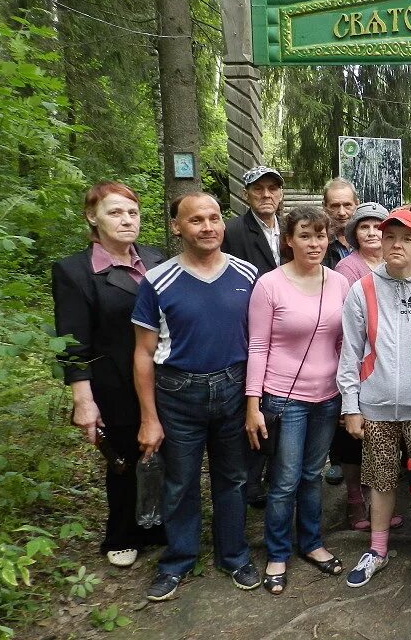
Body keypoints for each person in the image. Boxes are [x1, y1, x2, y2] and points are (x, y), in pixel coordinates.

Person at [132, 193, 260, 601]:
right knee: (180, 481)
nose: (207, 227)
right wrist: (149, 418)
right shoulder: (157, 281)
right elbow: (142, 353)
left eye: (214, 218)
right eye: (195, 220)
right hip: (178, 393)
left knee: (234, 478)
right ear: (177, 227)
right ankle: (178, 560)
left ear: (224, 224)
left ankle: (234, 554)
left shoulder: (248, 274)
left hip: (234, 389)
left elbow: (260, 341)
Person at [338, 210, 411, 590]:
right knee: (381, 479)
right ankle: (376, 549)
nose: (395, 245)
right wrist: (351, 406)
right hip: (375, 405)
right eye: (389, 237)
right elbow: (351, 352)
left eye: (406, 239)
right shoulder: (362, 289)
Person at [51, 181, 167, 568]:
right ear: (92, 217)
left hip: (162, 376)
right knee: (125, 459)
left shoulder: (155, 259)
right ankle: (122, 533)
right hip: (114, 382)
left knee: (162, 453)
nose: (126, 220)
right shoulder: (75, 271)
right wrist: (83, 402)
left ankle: (157, 524)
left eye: (132, 212)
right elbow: (73, 344)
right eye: (115, 212)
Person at [244, 206, 350, 595]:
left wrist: (349, 396)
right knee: (284, 479)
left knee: (311, 474)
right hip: (284, 398)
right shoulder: (269, 285)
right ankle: (277, 552)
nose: (315, 243)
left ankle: (312, 543)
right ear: (288, 240)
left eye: (321, 235)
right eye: (305, 235)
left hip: (328, 397)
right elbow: (257, 346)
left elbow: (345, 342)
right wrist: (252, 403)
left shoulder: (339, 283)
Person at [332, 202, 404, 531]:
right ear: (354, 234)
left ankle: (380, 505)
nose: (373, 232)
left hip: (393, 367)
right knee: (354, 440)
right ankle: (354, 502)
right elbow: (351, 328)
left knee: (385, 447)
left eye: (379, 227)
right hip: (360, 362)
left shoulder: (398, 264)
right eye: (365, 227)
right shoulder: (349, 269)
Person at [221, 165, 285, 509]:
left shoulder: (288, 229)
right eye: (258, 189)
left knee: (277, 408)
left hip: (287, 330)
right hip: (250, 327)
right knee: (254, 404)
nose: (266, 195)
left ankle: (274, 477)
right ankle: (249, 482)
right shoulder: (233, 231)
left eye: (272, 189)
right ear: (247, 193)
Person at [334, 202, 390, 285]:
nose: (371, 233)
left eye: (377, 227)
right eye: (364, 227)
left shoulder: (395, 261)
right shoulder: (346, 268)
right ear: (355, 233)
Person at [322, 178, 359, 269]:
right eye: (335, 206)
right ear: (324, 206)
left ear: (357, 204)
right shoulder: (319, 243)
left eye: (347, 205)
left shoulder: (369, 239)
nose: (342, 212)